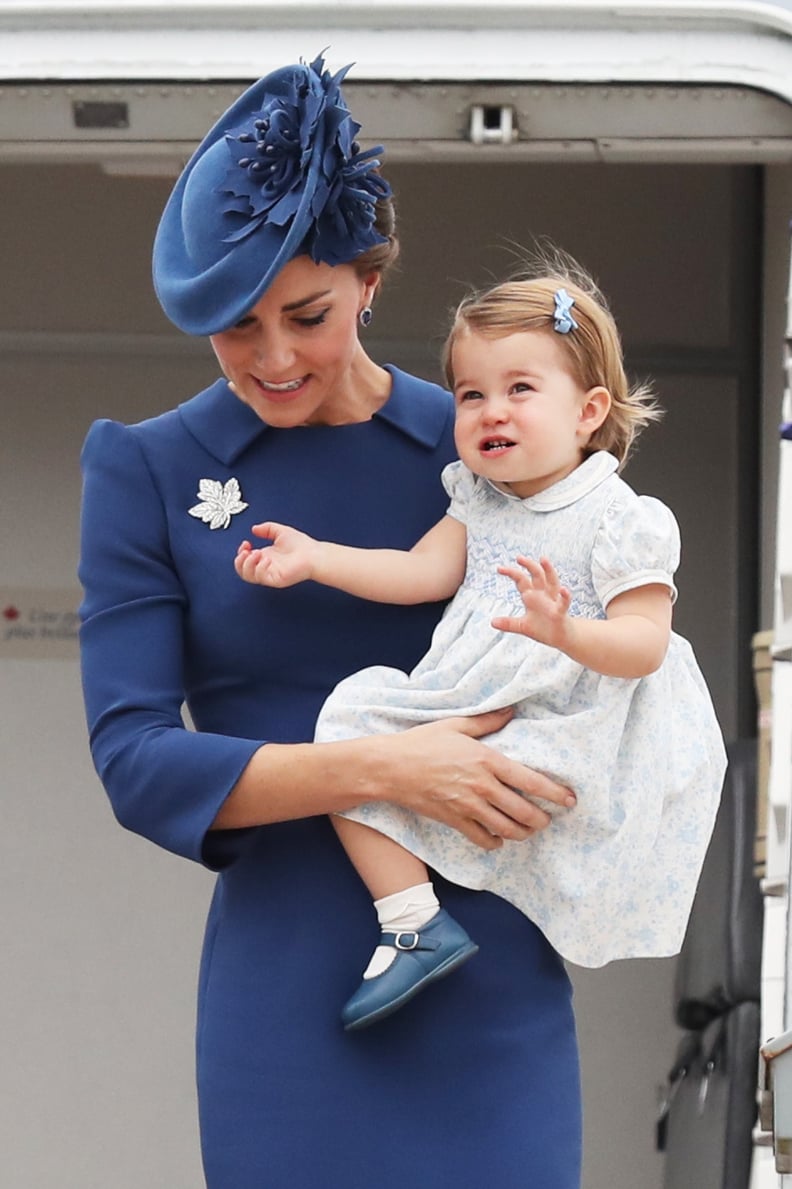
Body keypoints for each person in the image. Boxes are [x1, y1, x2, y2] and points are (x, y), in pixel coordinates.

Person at [78, 55, 583, 1189]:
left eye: (305, 314)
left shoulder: (488, 448)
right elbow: (137, 759)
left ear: (368, 278)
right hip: (293, 990)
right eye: (233, 328)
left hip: (491, 973)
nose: (273, 359)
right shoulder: (148, 469)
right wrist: (382, 766)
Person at [235, 257, 727, 1031]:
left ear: (589, 410)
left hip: (571, 725)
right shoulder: (479, 499)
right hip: (479, 699)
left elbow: (644, 644)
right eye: (471, 394)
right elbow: (420, 570)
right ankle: (413, 921)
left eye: (519, 390)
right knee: (352, 714)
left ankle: (458, 918)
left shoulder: (619, 517)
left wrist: (566, 629)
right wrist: (315, 558)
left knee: (478, 786)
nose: (490, 411)